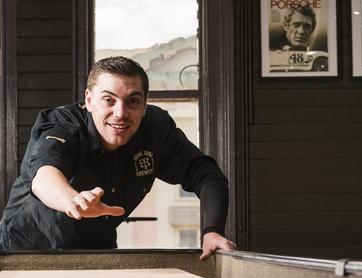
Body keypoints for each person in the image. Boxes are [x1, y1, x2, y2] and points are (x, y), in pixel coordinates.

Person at [0, 56, 236, 260]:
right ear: (90, 100)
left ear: (144, 105)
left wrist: (212, 230)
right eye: (108, 100)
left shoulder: (155, 130)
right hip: (26, 252)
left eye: (133, 101)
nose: (120, 113)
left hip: (97, 253)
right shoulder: (64, 125)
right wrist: (73, 201)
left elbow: (205, 173)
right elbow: (44, 176)